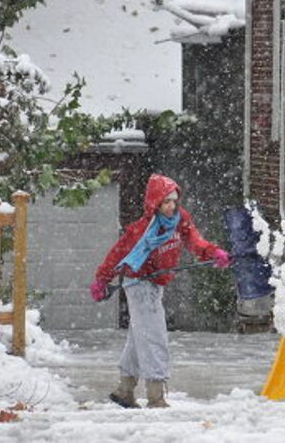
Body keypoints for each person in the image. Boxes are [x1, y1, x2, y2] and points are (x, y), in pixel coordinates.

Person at [89, 173, 231, 408]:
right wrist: (102, 280)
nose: (171, 206)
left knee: (139, 336)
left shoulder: (179, 219)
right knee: (154, 336)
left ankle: (125, 390)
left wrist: (212, 253)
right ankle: (156, 396)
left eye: (174, 201)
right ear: (155, 203)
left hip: (157, 284)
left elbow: (194, 240)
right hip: (138, 283)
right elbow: (118, 253)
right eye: (166, 202)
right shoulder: (142, 229)